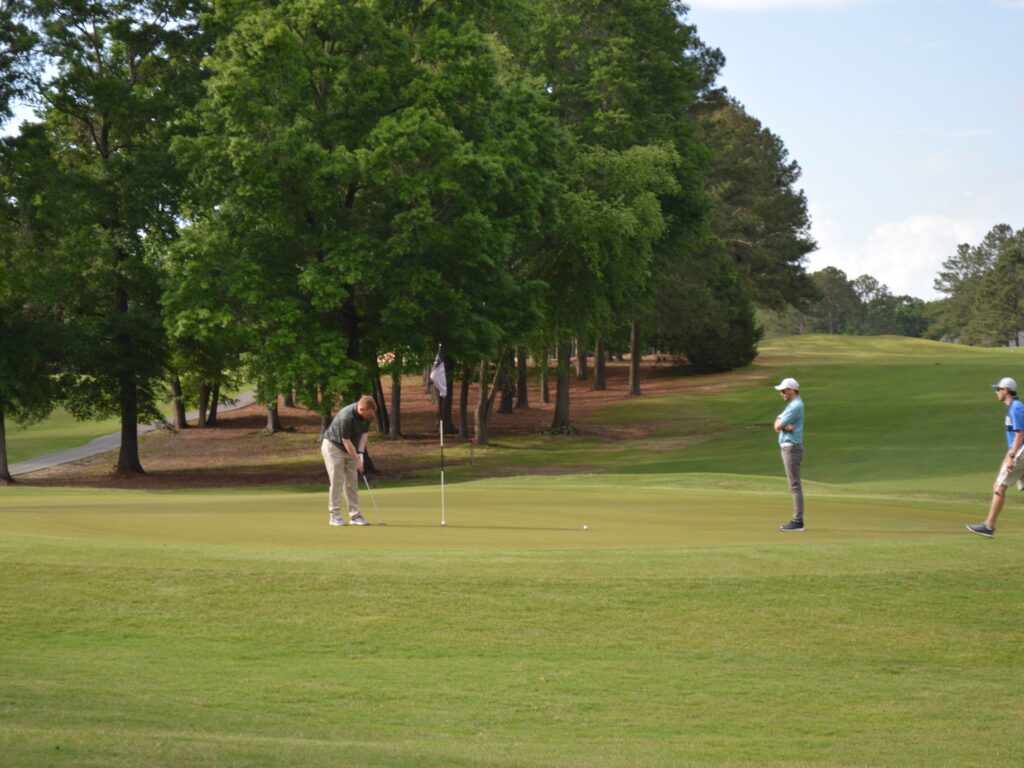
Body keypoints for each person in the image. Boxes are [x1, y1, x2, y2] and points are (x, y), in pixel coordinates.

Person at [966, 377, 1024, 538]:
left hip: (1021, 453)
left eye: (998, 389)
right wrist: (1008, 456)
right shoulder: (1014, 407)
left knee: (999, 486)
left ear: (1006, 390)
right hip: (1018, 451)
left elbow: (1020, 434)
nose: (996, 392)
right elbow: (1014, 438)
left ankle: (988, 526)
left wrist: (1012, 456)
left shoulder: (1016, 408)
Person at [321, 394, 377, 526]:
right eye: (369, 414)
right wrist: (357, 460)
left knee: (352, 482)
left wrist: (361, 454)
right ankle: (334, 516)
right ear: (362, 409)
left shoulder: (367, 416)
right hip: (333, 448)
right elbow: (345, 441)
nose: (370, 417)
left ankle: (355, 515)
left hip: (350, 448)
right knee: (337, 481)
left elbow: (364, 435)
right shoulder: (346, 417)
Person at [774, 377, 805, 532]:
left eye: (783, 390)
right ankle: (797, 520)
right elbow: (779, 423)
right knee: (794, 484)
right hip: (790, 447)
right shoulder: (793, 405)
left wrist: (781, 423)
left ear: (791, 390)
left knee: (794, 485)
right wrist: (783, 423)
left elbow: (778, 426)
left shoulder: (795, 406)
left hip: (791, 448)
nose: (781, 393)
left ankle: (797, 521)